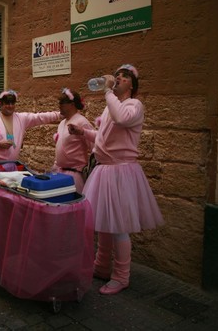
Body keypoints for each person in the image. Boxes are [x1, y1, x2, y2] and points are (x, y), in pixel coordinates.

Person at [69, 64, 164, 295]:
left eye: (124, 77)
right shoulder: (111, 106)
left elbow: (121, 119)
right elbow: (102, 137)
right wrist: (84, 133)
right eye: (118, 75)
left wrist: (108, 91)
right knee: (103, 224)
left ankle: (122, 276)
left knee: (119, 226)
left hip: (121, 171)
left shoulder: (134, 105)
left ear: (132, 85)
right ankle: (101, 267)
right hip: (105, 170)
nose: (119, 78)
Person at [0, 89, 61, 167]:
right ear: (1, 104)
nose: (10, 106)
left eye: (12, 103)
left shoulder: (21, 118)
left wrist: (59, 115)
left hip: (12, 166)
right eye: (7, 103)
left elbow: (39, 117)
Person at [51, 88, 93, 192]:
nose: (59, 105)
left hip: (74, 174)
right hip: (59, 172)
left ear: (72, 104)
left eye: (62, 103)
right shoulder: (62, 123)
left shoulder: (82, 122)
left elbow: (94, 147)